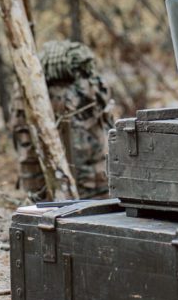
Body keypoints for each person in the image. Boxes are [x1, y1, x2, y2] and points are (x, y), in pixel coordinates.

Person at [11, 40, 113, 199]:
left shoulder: (25, 91)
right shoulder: (88, 87)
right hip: (92, 188)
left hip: (42, 192)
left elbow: (21, 138)